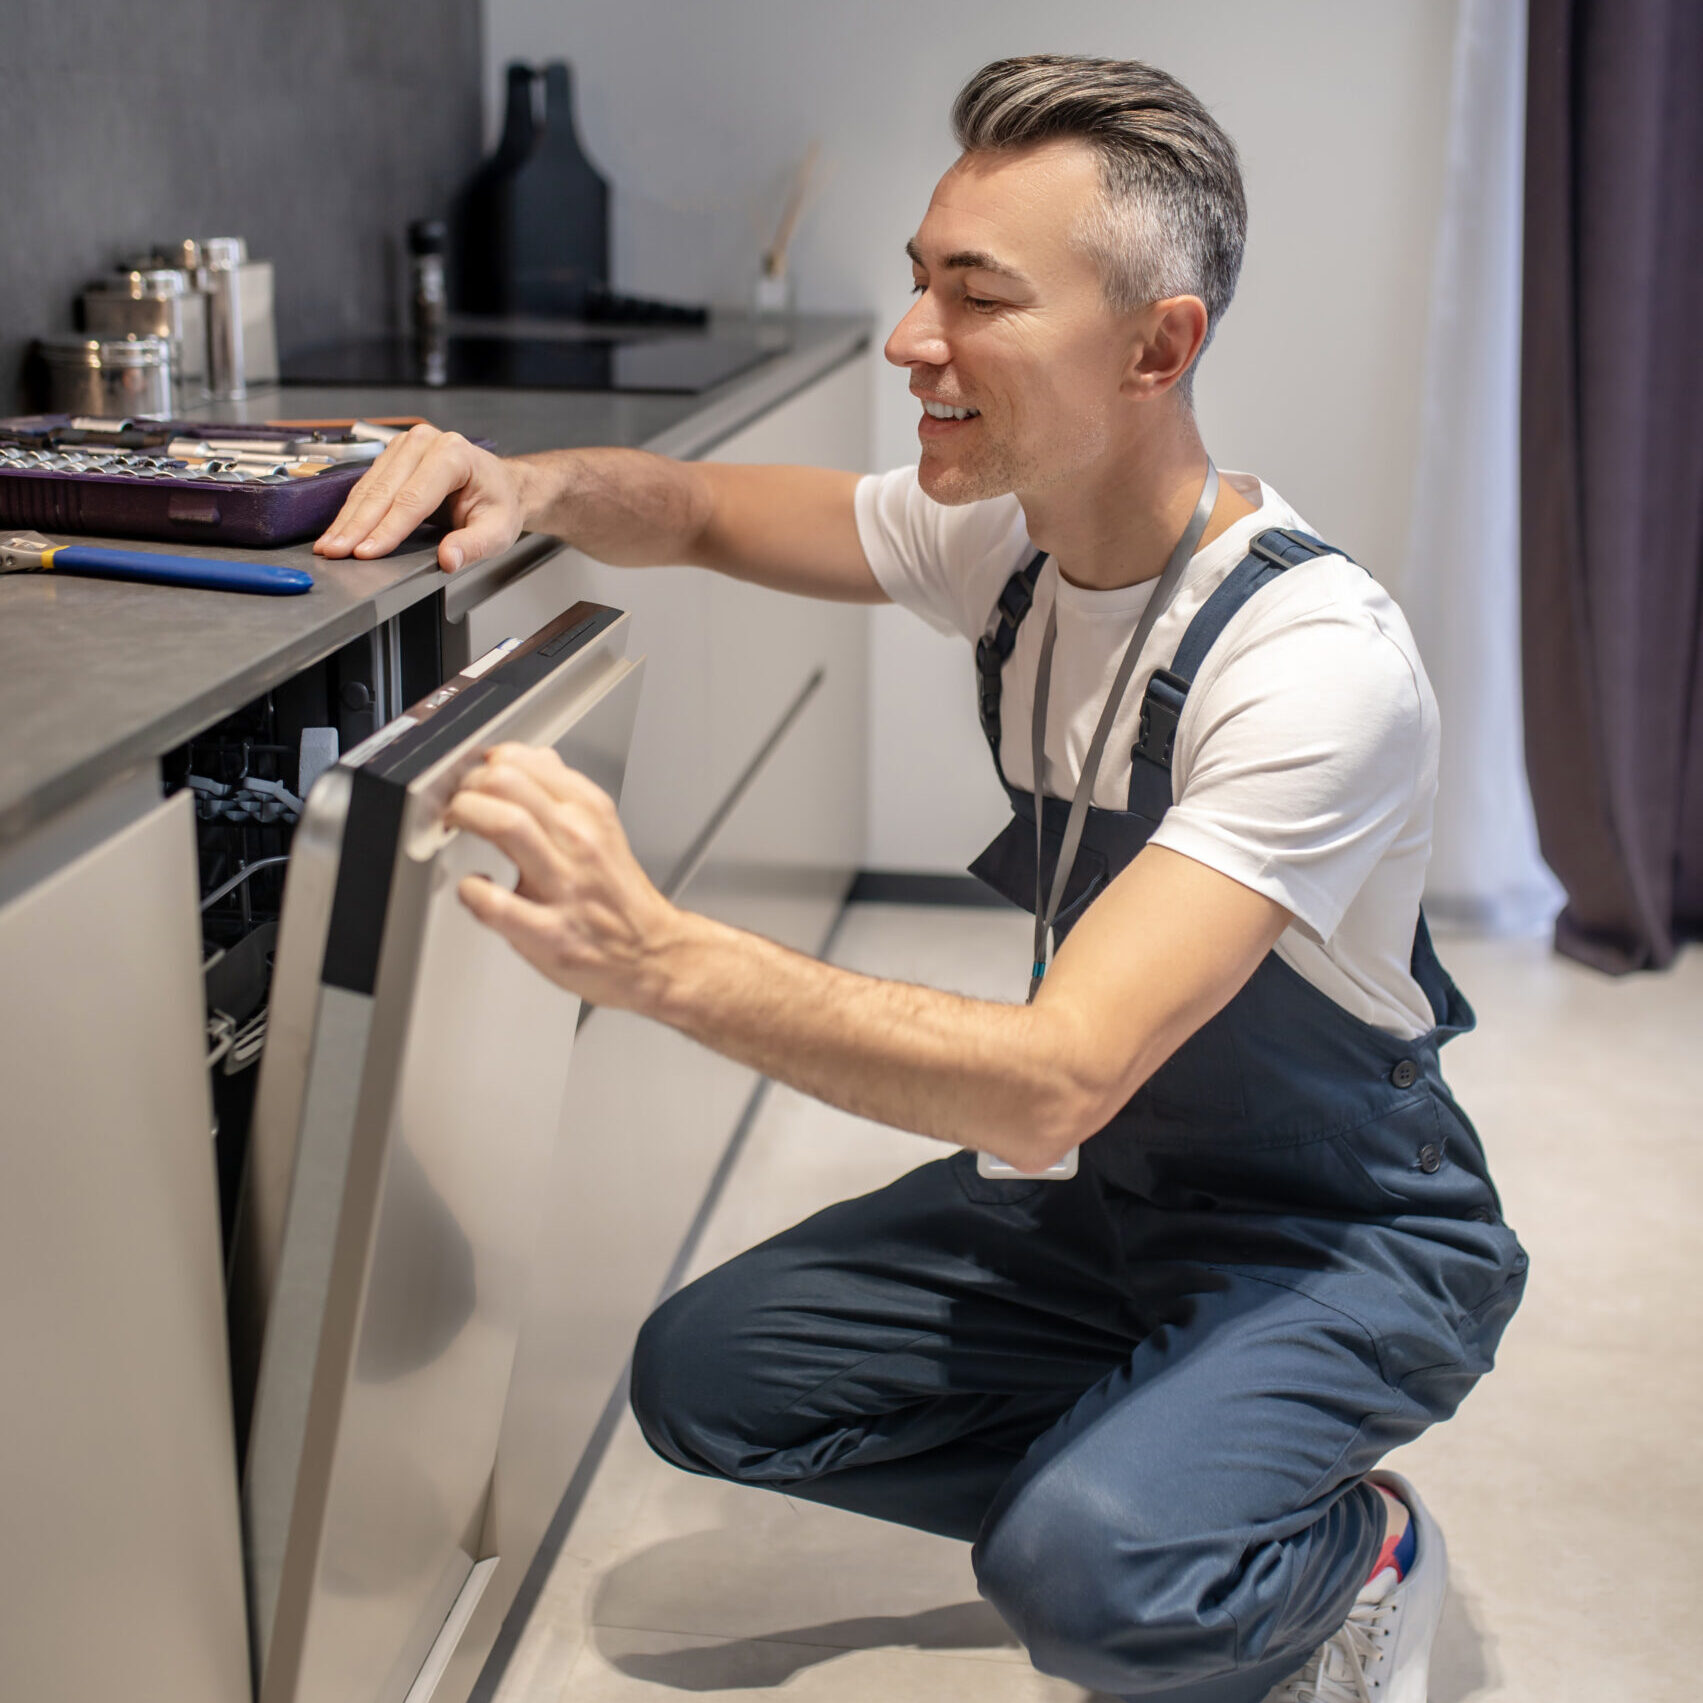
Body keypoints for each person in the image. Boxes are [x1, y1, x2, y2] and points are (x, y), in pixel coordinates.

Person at [315, 54, 1527, 1703]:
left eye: (979, 296)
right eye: (918, 282)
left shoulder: (1311, 666)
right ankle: (1163, 1484)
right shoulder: (1011, 544)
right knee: (709, 1383)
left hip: (1334, 1235)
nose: (909, 341)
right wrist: (532, 486)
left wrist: (658, 956)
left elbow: (1049, 1086)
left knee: (1080, 1572)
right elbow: (705, 511)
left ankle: (1332, 1551)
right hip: (1115, 1200)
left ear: (1158, 346)